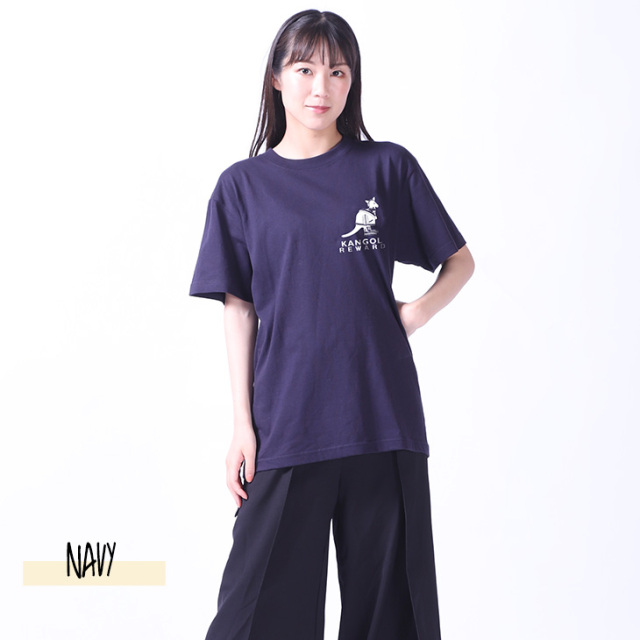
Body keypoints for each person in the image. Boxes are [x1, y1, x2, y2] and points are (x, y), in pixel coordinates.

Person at [189, 8, 475, 640]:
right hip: (287, 423)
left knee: (391, 620)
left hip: (383, 420)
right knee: (253, 618)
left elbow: (459, 261)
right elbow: (239, 309)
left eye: (338, 72)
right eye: (305, 69)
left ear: (353, 81)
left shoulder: (387, 168)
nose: (322, 87)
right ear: (276, 78)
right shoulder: (242, 187)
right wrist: (241, 424)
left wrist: (414, 313)